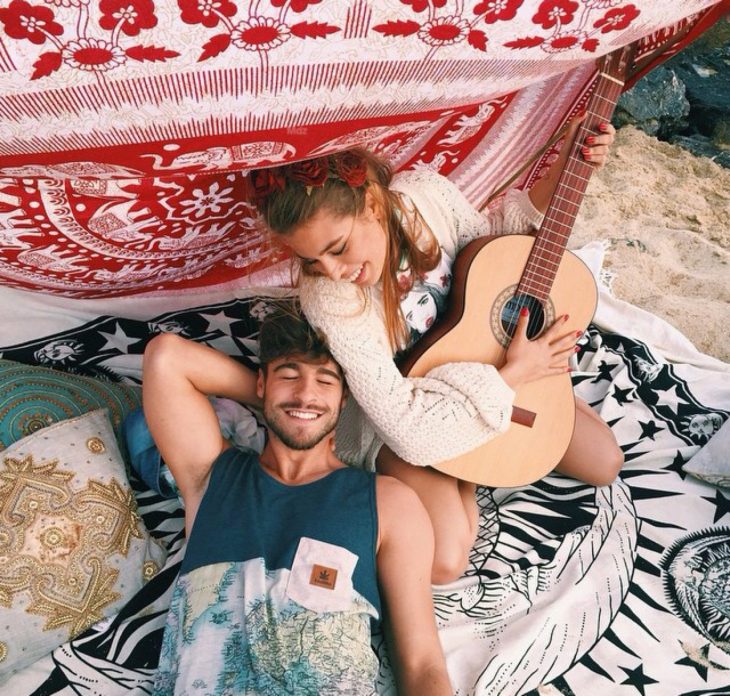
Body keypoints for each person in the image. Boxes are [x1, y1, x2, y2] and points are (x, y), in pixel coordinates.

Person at [245, 120, 623, 585]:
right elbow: (406, 427)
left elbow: (491, 251)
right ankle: (465, 465)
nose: (333, 271)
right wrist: (510, 378)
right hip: (411, 415)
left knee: (605, 462)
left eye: (338, 248)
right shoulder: (329, 296)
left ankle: (476, 454)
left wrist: (565, 167)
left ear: (371, 204)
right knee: (445, 560)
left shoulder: (427, 194)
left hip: (486, 364)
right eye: (311, 260)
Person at [143, 307, 452, 695]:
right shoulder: (211, 477)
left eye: (326, 381)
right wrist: (282, 407)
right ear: (261, 384)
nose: (306, 393)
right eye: (289, 375)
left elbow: (421, 662)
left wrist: (293, 404)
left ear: (345, 400)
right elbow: (166, 357)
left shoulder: (388, 502)